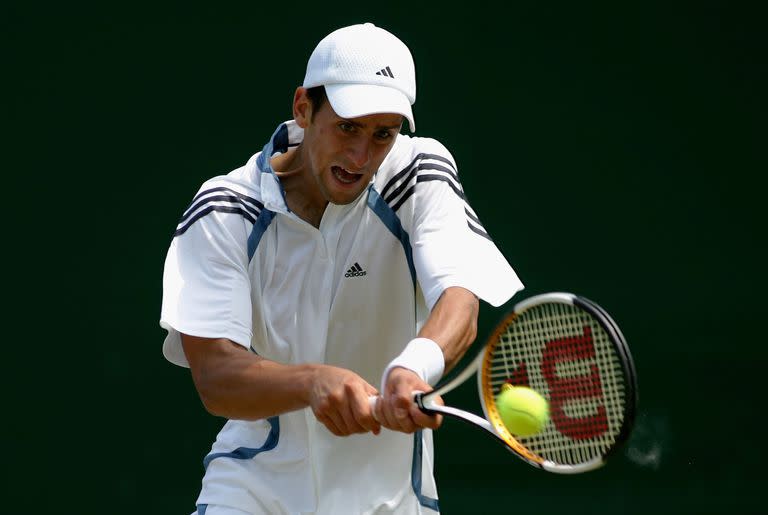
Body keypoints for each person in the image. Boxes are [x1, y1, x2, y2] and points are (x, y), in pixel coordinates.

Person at [161, 22, 523, 515]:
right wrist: (312, 382)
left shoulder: (418, 175)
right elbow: (216, 376)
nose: (361, 156)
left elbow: (459, 297)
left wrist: (413, 366)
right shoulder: (226, 209)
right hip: (252, 493)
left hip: (389, 502)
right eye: (348, 127)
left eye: (383, 134)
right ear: (303, 108)